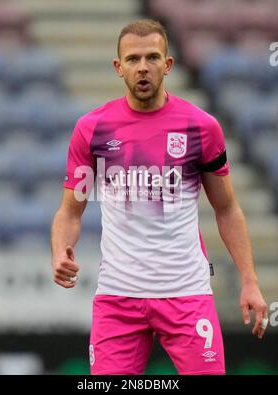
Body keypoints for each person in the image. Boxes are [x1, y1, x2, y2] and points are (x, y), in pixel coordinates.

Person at [50, 19, 268, 375]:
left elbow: (227, 208)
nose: (143, 67)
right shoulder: (92, 130)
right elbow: (69, 212)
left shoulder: (201, 127)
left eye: (152, 57)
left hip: (186, 293)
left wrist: (250, 281)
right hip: (118, 297)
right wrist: (60, 250)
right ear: (118, 67)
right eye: (133, 59)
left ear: (168, 65)